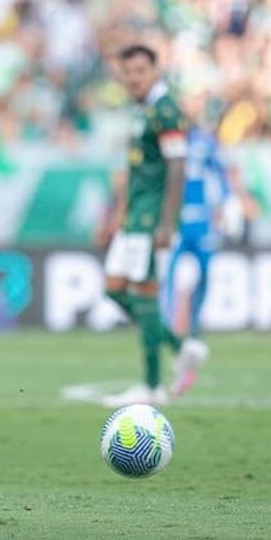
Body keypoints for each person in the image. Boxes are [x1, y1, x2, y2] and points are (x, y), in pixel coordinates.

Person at [100, 44, 208, 409]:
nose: (133, 78)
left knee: (144, 294)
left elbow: (177, 167)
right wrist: (120, 212)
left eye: (140, 71)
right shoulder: (142, 110)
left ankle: (150, 386)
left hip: (152, 219)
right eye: (127, 71)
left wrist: (166, 224)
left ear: (154, 71)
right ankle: (181, 347)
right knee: (115, 289)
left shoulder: (164, 110)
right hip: (134, 218)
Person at [161, 115, 230, 390]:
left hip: (201, 220)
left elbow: (220, 174)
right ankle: (172, 334)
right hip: (175, 221)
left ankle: (195, 328)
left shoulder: (204, 142)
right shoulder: (166, 141)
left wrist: (225, 205)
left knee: (204, 275)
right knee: (167, 276)